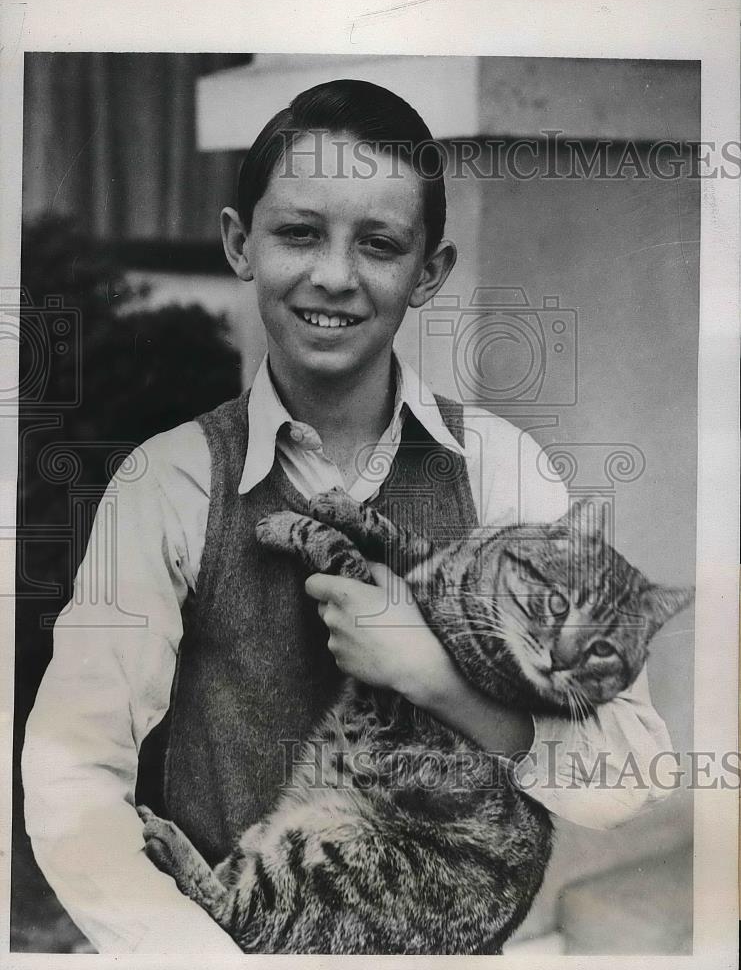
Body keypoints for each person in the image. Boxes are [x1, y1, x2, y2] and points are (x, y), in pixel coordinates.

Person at [22, 80, 674, 955]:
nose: (334, 275)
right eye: (298, 231)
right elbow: (70, 773)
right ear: (238, 242)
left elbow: (634, 770)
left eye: (378, 243)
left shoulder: (500, 469)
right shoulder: (168, 482)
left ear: (427, 273)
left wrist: (437, 679)